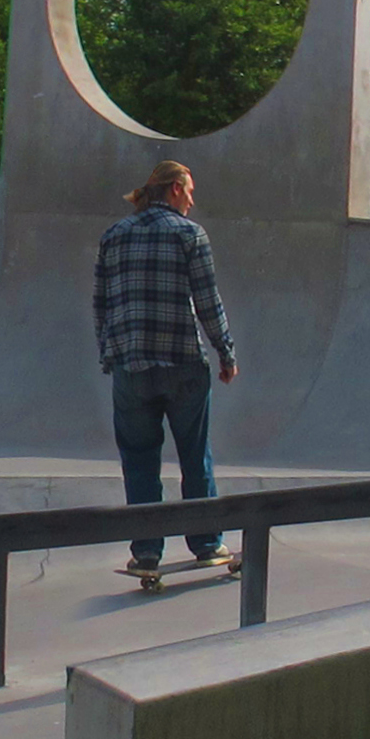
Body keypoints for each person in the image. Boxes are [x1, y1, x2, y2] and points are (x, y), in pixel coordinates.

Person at [96, 159, 239, 573]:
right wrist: (226, 353)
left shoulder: (114, 236)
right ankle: (207, 543)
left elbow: (100, 305)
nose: (193, 200)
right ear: (175, 188)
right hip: (182, 364)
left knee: (139, 460)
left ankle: (146, 550)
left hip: (131, 367)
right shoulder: (189, 234)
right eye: (190, 190)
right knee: (195, 454)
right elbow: (208, 301)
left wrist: (111, 352)